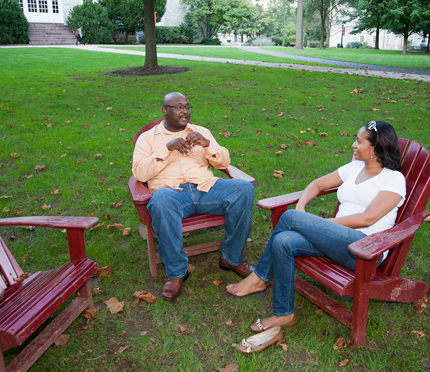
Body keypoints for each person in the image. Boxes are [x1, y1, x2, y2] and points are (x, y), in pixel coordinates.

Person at [226, 120, 405, 333]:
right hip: (335, 240)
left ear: (375, 148)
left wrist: (320, 224)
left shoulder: (393, 179)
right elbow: (318, 184)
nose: (353, 145)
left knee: (290, 218)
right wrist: (301, 207)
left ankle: (259, 278)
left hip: (364, 249)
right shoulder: (355, 167)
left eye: (359, 142)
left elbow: (367, 219)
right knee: (284, 241)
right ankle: (284, 314)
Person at [133, 92, 256, 301]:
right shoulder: (148, 138)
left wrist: (208, 144)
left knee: (244, 189)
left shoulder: (200, 132)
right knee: (161, 201)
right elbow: (140, 173)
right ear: (165, 110)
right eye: (179, 107)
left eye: (187, 107)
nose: (185, 111)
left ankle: (232, 258)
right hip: (172, 193)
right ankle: (177, 272)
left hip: (206, 189)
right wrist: (166, 149)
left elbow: (224, 163)